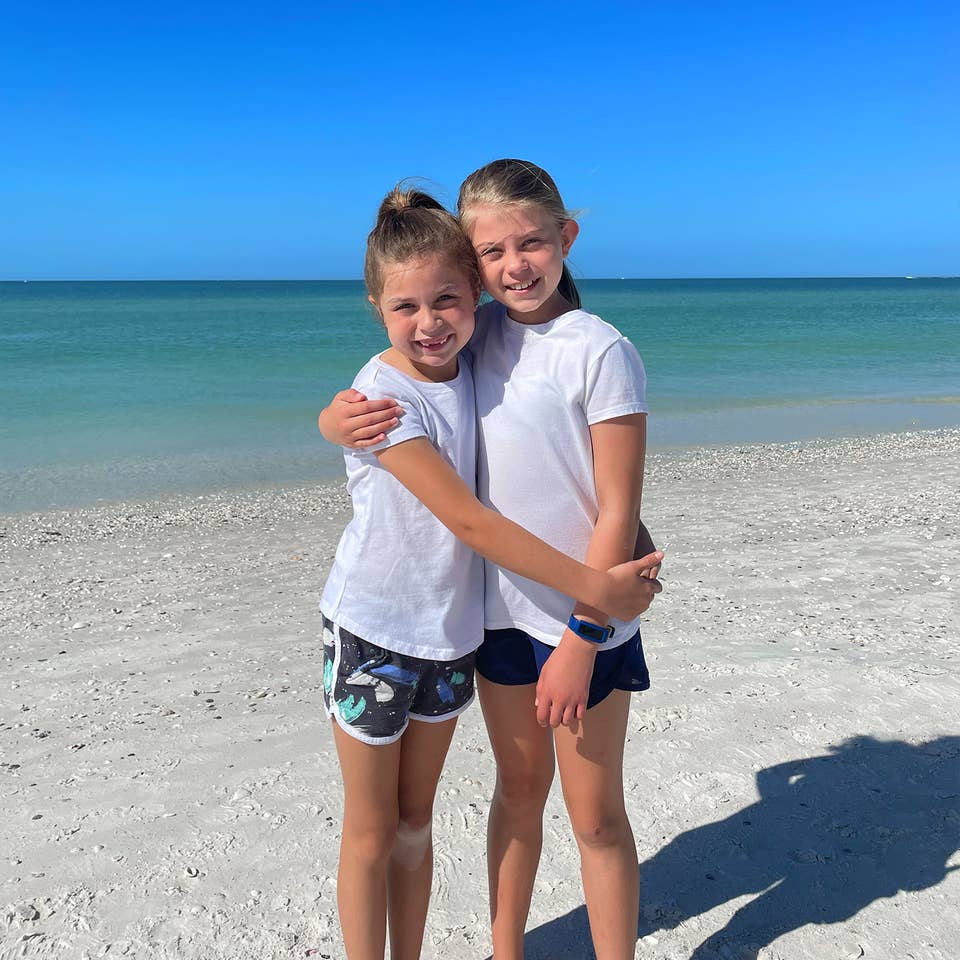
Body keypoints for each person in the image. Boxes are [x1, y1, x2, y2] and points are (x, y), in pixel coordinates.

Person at [321, 183, 661, 960]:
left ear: (566, 237)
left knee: (586, 817)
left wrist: (591, 620)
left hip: (541, 625)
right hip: (459, 624)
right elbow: (464, 500)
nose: (514, 266)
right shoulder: (455, 350)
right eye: (494, 251)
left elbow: (605, 495)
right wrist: (329, 419)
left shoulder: (583, 348)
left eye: (531, 244)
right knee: (484, 801)